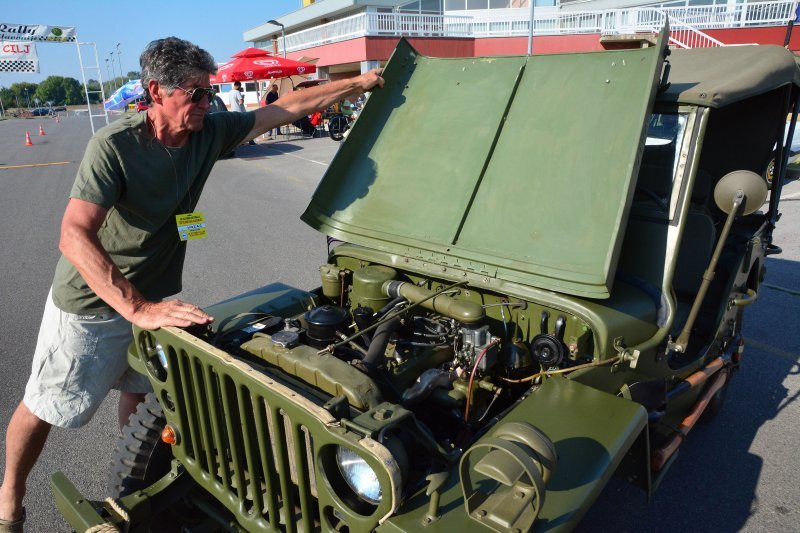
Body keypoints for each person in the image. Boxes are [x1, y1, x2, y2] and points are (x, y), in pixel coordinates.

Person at [0, 36, 383, 530]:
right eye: (196, 94)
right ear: (157, 91)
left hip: (153, 302)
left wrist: (359, 82)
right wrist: (136, 308)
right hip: (94, 302)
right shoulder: (115, 146)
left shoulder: (207, 131)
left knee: (141, 399)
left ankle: (131, 486)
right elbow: (74, 235)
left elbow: (286, 108)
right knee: (47, 403)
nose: (208, 103)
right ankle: (10, 494)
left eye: (210, 91)